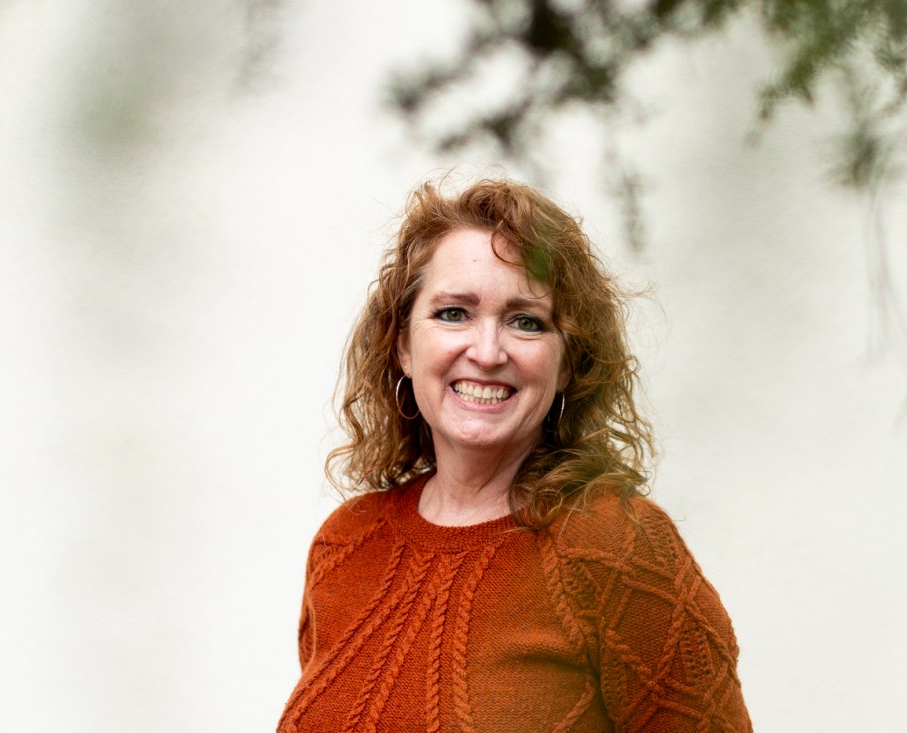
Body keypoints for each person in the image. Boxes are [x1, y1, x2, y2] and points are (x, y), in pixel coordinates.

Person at [278, 178, 751, 732]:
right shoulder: (346, 544)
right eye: (453, 313)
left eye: (526, 321)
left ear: (569, 362)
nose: (486, 351)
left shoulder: (616, 546)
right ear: (403, 344)